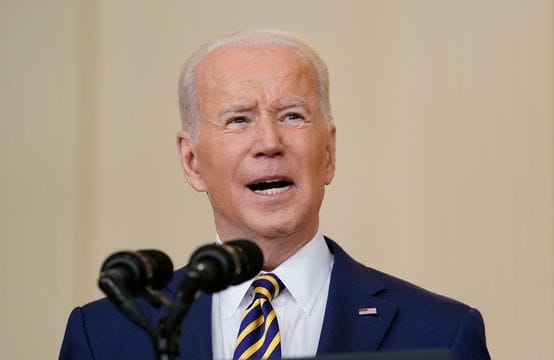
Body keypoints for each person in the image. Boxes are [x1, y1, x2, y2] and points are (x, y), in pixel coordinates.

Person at [60, 29, 490, 360]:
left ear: (329, 153)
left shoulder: (441, 332)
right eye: (238, 120)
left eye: (292, 115)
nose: (269, 141)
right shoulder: (104, 336)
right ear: (192, 162)